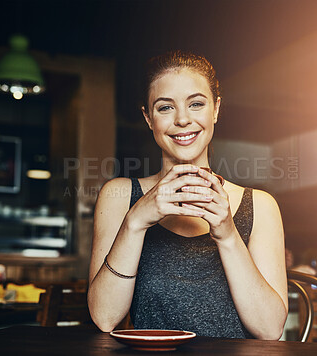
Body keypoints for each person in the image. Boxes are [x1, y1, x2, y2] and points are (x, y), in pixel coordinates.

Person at [87, 51, 288, 340]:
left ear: (215, 109)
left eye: (196, 104)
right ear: (148, 117)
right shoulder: (119, 195)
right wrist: (136, 220)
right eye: (165, 108)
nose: (182, 119)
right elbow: (105, 318)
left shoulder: (259, 204)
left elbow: (269, 330)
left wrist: (228, 235)